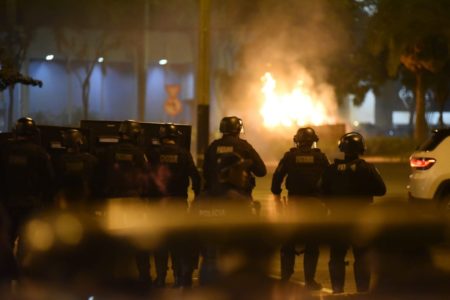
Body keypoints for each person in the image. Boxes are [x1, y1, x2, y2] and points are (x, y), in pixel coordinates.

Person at [320, 131, 386, 294]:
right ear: (361, 148)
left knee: (336, 258)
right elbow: (381, 190)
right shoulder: (368, 169)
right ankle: (362, 292)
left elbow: (321, 191)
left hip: (337, 219)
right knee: (362, 257)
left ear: (342, 148)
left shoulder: (331, 170)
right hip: (361, 220)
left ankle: (337, 291)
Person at [142, 123, 201, 288]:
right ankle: (177, 278)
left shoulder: (152, 154)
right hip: (178, 204)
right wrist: (197, 196)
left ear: (161, 138)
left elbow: (145, 177)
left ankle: (160, 278)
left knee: (160, 241)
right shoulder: (184, 154)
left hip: (157, 205)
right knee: (177, 241)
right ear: (176, 138)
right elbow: (196, 177)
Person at [271, 127, 329, 290]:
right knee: (312, 244)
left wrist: (276, 193)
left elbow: (277, 178)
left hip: (294, 204)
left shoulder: (289, 156)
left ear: (297, 140)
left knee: (288, 242)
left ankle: (285, 279)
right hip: (315, 206)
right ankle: (310, 280)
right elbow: (329, 179)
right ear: (313, 141)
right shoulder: (320, 157)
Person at [0, 117, 53, 270]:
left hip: (7, 206)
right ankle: (22, 278)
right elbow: (49, 181)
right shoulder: (39, 153)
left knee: (6, 242)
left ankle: (5, 281)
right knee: (26, 243)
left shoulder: (4, 150)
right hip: (31, 205)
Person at [194, 152, 255, 285]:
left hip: (207, 268)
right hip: (233, 269)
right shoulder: (240, 201)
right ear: (229, 172)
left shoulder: (201, 199)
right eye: (240, 170)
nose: (245, 174)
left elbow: (190, 238)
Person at [203, 116, 266, 197]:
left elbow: (206, 172)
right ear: (238, 129)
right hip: (241, 194)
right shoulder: (244, 146)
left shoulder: (213, 146)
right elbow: (261, 171)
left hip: (215, 195)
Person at [99, 120, 148, 199]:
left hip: (112, 197)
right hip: (133, 198)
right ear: (135, 135)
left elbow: (101, 175)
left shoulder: (109, 151)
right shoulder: (139, 154)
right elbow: (146, 176)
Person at [52, 129, 98, 210]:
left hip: (65, 198)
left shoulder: (59, 160)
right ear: (80, 141)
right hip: (84, 197)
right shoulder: (90, 159)